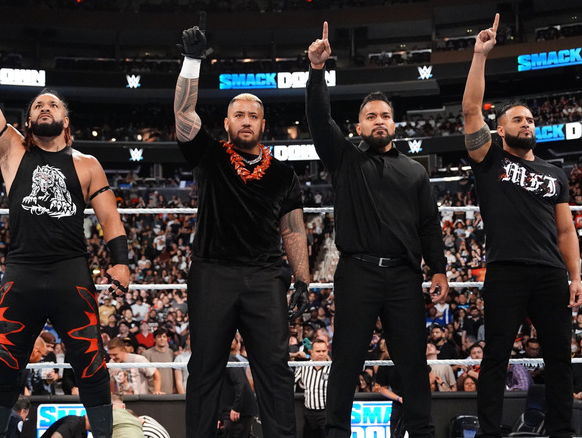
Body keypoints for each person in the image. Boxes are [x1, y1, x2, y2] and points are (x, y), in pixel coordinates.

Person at [0, 6, 131, 438]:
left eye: (52, 103)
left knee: (91, 364)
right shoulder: (12, 152)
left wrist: (120, 260)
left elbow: (109, 215)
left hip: (70, 272)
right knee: (5, 364)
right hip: (21, 270)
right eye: (38, 104)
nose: (44, 107)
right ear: (28, 119)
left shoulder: (87, 163)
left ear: (66, 119)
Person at [306, 22, 449, 438]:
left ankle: (421, 431)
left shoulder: (414, 171)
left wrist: (438, 268)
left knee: (412, 364)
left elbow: (428, 225)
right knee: (347, 360)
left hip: (405, 276)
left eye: (385, 115)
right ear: (359, 125)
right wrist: (317, 70)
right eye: (371, 116)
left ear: (394, 123)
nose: (379, 121)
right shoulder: (345, 158)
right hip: (358, 272)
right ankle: (336, 432)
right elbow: (318, 119)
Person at [173, 15, 310, 438]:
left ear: (263, 124)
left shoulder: (283, 175)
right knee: (206, 367)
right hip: (213, 271)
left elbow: (294, 229)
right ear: (228, 124)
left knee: (273, 367)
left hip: (267, 276)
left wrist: (303, 280)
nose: (247, 120)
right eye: (239, 114)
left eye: (254, 115)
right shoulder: (211, 155)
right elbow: (182, 112)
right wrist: (191, 62)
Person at [461, 14, 582, 438]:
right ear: (501, 129)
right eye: (518, 119)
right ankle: (490, 432)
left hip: (550, 273)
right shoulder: (490, 157)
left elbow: (566, 231)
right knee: (495, 355)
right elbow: (470, 109)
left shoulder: (555, 173)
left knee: (559, 358)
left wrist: (576, 277)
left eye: (530, 120)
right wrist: (480, 56)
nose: (526, 124)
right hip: (506, 269)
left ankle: (561, 432)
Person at [294, 339, 330, 438]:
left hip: (326, 412)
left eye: (324, 351)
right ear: (311, 352)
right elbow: (291, 382)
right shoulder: (304, 366)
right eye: (318, 351)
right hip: (309, 413)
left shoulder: (332, 368)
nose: (321, 354)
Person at [143, 328, 174, 394]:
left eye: (164, 336)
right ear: (154, 339)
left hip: (169, 392)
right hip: (152, 392)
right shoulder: (147, 354)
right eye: (159, 337)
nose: (162, 339)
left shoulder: (171, 352)